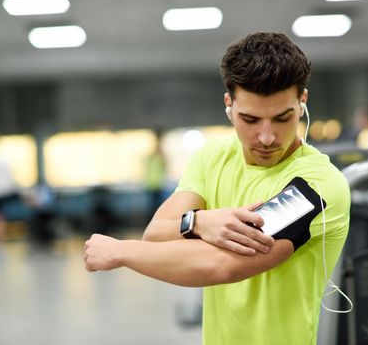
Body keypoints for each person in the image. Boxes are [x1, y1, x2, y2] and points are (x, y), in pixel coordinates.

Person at [84, 32, 350, 344]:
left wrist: (120, 251)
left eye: (282, 118)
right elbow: (155, 234)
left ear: (302, 101)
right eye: (250, 119)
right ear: (229, 105)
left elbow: (221, 264)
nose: (266, 137)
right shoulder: (213, 158)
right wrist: (199, 222)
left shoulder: (316, 186)